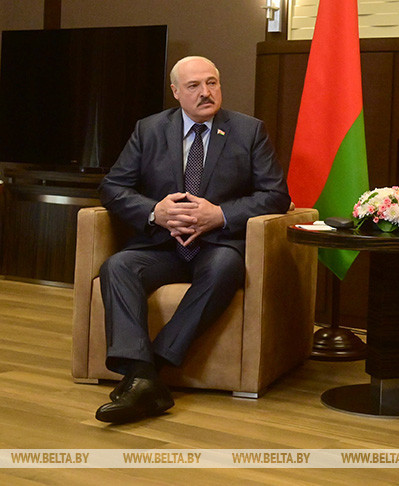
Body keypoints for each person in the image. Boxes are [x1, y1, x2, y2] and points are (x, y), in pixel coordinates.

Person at [94, 56, 291, 424]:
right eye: (194, 86)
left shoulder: (248, 131)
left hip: (216, 246)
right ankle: (142, 376)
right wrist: (155, 212)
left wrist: (221, 214)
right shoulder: (149, 130)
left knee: (225, 266)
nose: (206, 92)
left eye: (212, 83)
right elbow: (113, 187)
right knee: (118, 266)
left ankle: (147, 372)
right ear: (176, 92)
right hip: (162, 247)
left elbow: (276, 195)